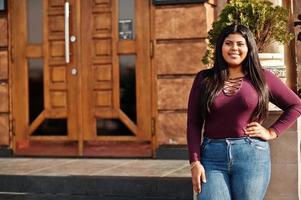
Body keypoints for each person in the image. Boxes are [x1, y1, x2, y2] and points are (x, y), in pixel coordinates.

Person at [186, 23, 301, 200]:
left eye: (240, 44)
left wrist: (272, 132)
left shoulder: (262, 78)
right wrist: (195, 162)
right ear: (220, 47)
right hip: (212, 157)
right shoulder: (204, 79)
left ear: (249, 48)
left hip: (252, 155)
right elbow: (194, 123)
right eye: (228, 43)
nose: (234, 48)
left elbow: (296, 105)